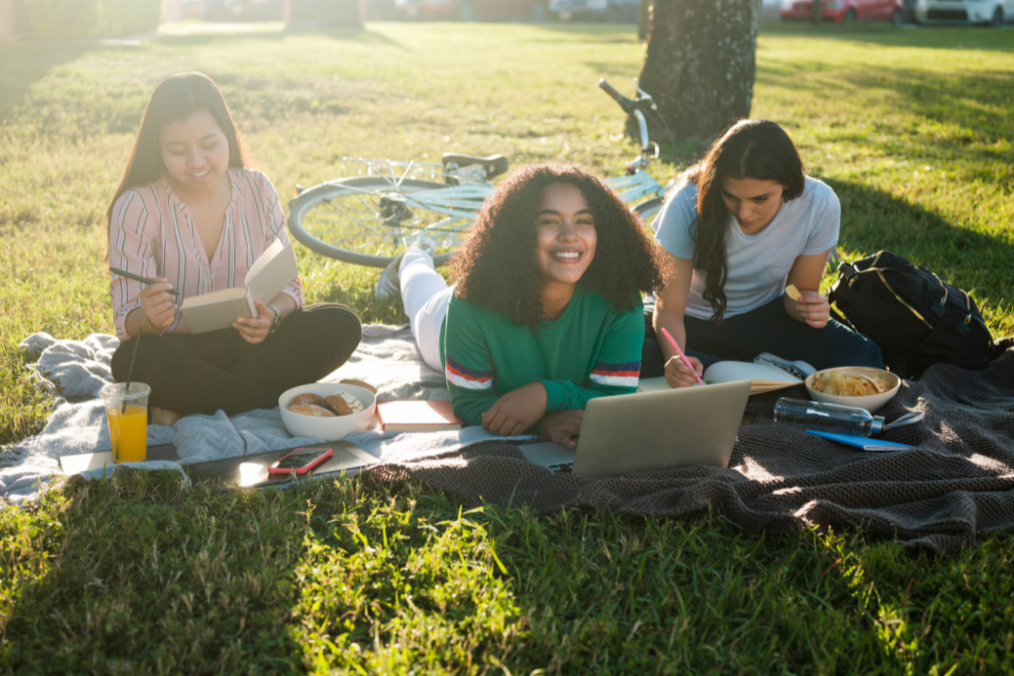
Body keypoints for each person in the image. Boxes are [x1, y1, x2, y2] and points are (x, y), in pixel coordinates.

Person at [106, 72, 361, 426]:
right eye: (177, 151)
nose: (196, 162)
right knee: (132, 359)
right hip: (183, 351)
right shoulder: (137, 206)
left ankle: (195, 403)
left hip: (253, 344)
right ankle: (270, 396)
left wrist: (271, 316)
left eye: (209, 144)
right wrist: (149, 317)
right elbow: (127, 320)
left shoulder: (258, 189)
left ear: (228, 134)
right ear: (158, 149)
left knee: (340, 321)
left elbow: (290, 286)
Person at [376, 164, 667, 447]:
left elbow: (615, 399)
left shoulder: (619, 298)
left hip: (504, 288)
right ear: (518, 233)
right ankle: (412, 258)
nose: (569, 234)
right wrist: (544, 425)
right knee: (420, 294)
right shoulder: (471, 301)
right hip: (448, 316)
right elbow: (470, 403)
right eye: (549, 221)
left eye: (584, 220)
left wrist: (547, 395)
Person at [645, 118, 882, 389]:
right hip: (687, 320)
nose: (744, 213)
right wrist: (675, 358)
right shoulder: (687, 203)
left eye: (760, 199)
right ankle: (754, 370)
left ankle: (724, 369)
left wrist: (808, 307)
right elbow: (669, 308)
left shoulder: (818, 204)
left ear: (788, 181)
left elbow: (798, 293)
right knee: (612, 354)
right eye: (730, 196)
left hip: (762, 313)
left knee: (865, 360)